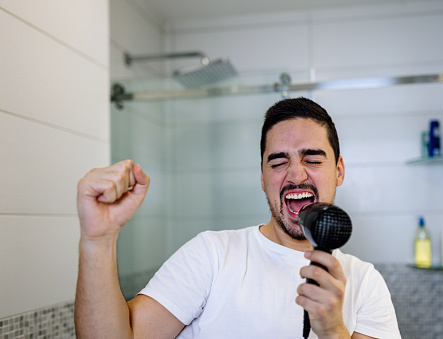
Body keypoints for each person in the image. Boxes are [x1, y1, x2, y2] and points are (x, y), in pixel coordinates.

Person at [75, 97, 401, 339]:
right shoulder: (212, 255)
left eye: (312, 159)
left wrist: (333, 330)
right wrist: (97, 240)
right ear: (262, 177)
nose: (296, 174)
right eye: (278, 162)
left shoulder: (365, 282)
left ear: (339, 171)